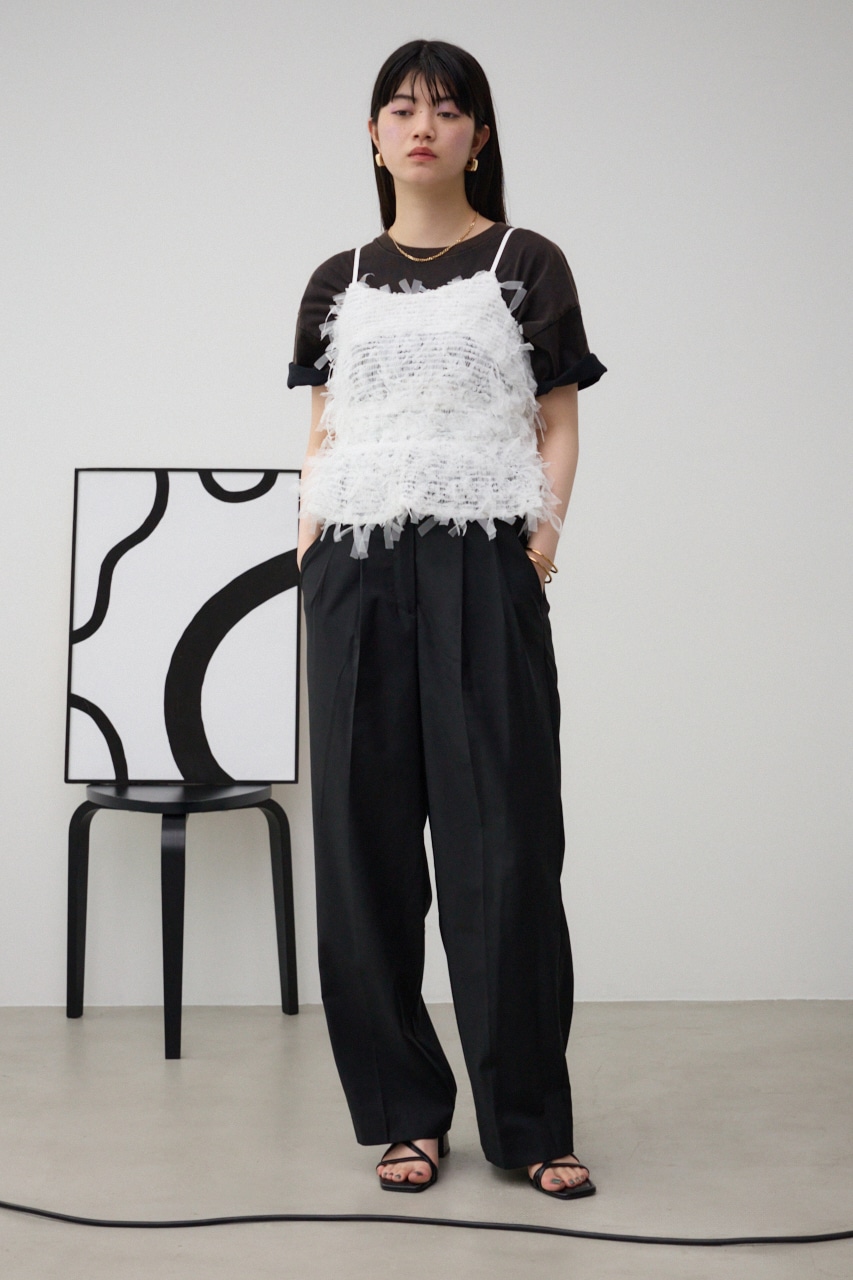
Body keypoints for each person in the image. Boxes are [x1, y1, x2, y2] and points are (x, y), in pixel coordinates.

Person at [288, 39, 606, 1200]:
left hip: (482, 562)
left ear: (480, 135)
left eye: (447, 108)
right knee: (362, 852)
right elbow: (325, 424)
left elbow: (558, 418)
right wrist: (311, 542)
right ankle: (403, 1115)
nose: (422, 125)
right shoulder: (337, 277)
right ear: (373, 137)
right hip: (356, 567)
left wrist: (541, 543)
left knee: (505, 849)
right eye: (400, 108)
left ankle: (527, 1122)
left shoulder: (527, 262)